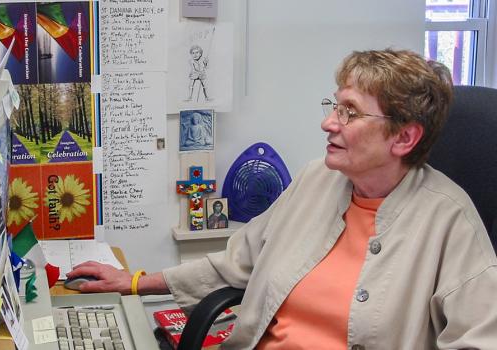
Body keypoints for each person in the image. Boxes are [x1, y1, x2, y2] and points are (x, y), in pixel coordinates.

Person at [67, 49, 497, 349]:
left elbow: (479, 340)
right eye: (334, 104)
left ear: (404, 137)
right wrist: (136, 282)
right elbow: (236, 263)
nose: (328, 122)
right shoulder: (316, 181)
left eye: (350, 111)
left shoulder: (450, 221)